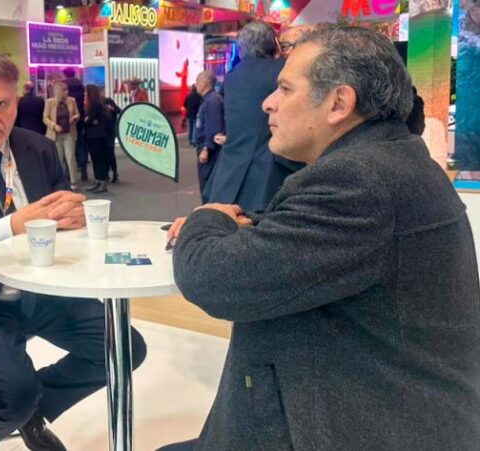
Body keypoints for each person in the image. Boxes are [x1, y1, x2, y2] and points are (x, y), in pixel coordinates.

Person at [161, 26, 480, 451]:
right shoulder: (388, 162)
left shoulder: (358, 182)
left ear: (339, 103)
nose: (268, 103)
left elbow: (214, 280)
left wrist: (205, 219)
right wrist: (240, 224)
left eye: (285, 89)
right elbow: (314, 241)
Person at [0, 52, 147, 449]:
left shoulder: (38, 149)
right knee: (13, 393)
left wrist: (74, 219)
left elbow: (63, 220)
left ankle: (37, 408)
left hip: (40, 291)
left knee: (125, 349)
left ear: (16, 104)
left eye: (2, 104)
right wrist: (16, 224)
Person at [204, 21, 303, 214]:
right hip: (269, 175)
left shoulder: (233, 76)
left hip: (227, 173)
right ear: (274, 43)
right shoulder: (284, 71)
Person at [193, 71, 224, 204]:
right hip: (204, 146)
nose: (195, 85)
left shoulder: (213, 101)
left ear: (204, 83)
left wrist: (206, 148)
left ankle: (208, 209)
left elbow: (214, 126)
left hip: (210, 151)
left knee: (207, 184)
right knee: (205, 184)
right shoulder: (208, 99)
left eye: (197, 81)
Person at [44, 81, 80, 190]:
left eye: (67, 89)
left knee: (70, 158)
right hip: (56, 135)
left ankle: (73, 181)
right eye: (64, 90)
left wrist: (74, 118)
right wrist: (54, 126)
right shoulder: (50, 102)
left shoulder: (72, 101)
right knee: (58, 159)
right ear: (59, 92)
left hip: (69, 133)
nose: (67, 92)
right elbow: (45, 118)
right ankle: (61, 182)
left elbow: (77, 114)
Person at [83, 84, 111, 193]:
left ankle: (102, 182)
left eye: (86, 92)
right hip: (91, 136)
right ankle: (97, 180)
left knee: (99, 159)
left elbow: (89, 119)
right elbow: (88, 119)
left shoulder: (96, 105)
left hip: (97, 136)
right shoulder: (89, 105)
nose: (85, 94)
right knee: (95, 159)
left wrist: (88, 120)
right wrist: (88, 120)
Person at [63, 67, 88, 182]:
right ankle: (83, 171)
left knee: (68, 147)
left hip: (66, 120)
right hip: (80, 117)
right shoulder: (80, 85)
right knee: (81, 144)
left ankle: (69, 174)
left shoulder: (64, 86)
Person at [103, 96, 121, 183]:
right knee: (104, 154)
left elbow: (118, 110)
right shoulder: (97, 103)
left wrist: (111, 108)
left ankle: (114, 171)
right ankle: (106, 172)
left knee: (110, 152)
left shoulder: (108, 101)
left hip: (110, 132)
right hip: (102, 132)